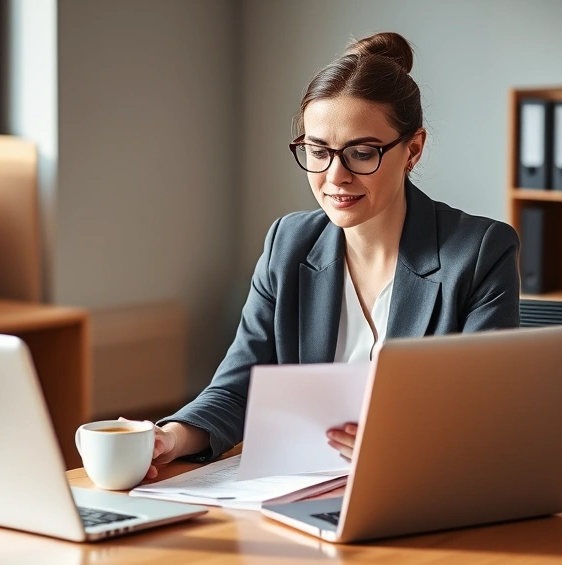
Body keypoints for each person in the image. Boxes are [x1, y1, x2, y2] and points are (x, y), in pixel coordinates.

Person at [144, 31, 520, 479]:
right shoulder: (289, 243)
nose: (334, 177)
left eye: (361, 154)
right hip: (301, 491)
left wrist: (396, 443)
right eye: (318, 152)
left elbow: (485, 418)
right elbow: (238, 388)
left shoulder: (479, 253)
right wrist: (170, 437)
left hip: (418, 492)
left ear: (413, 150)